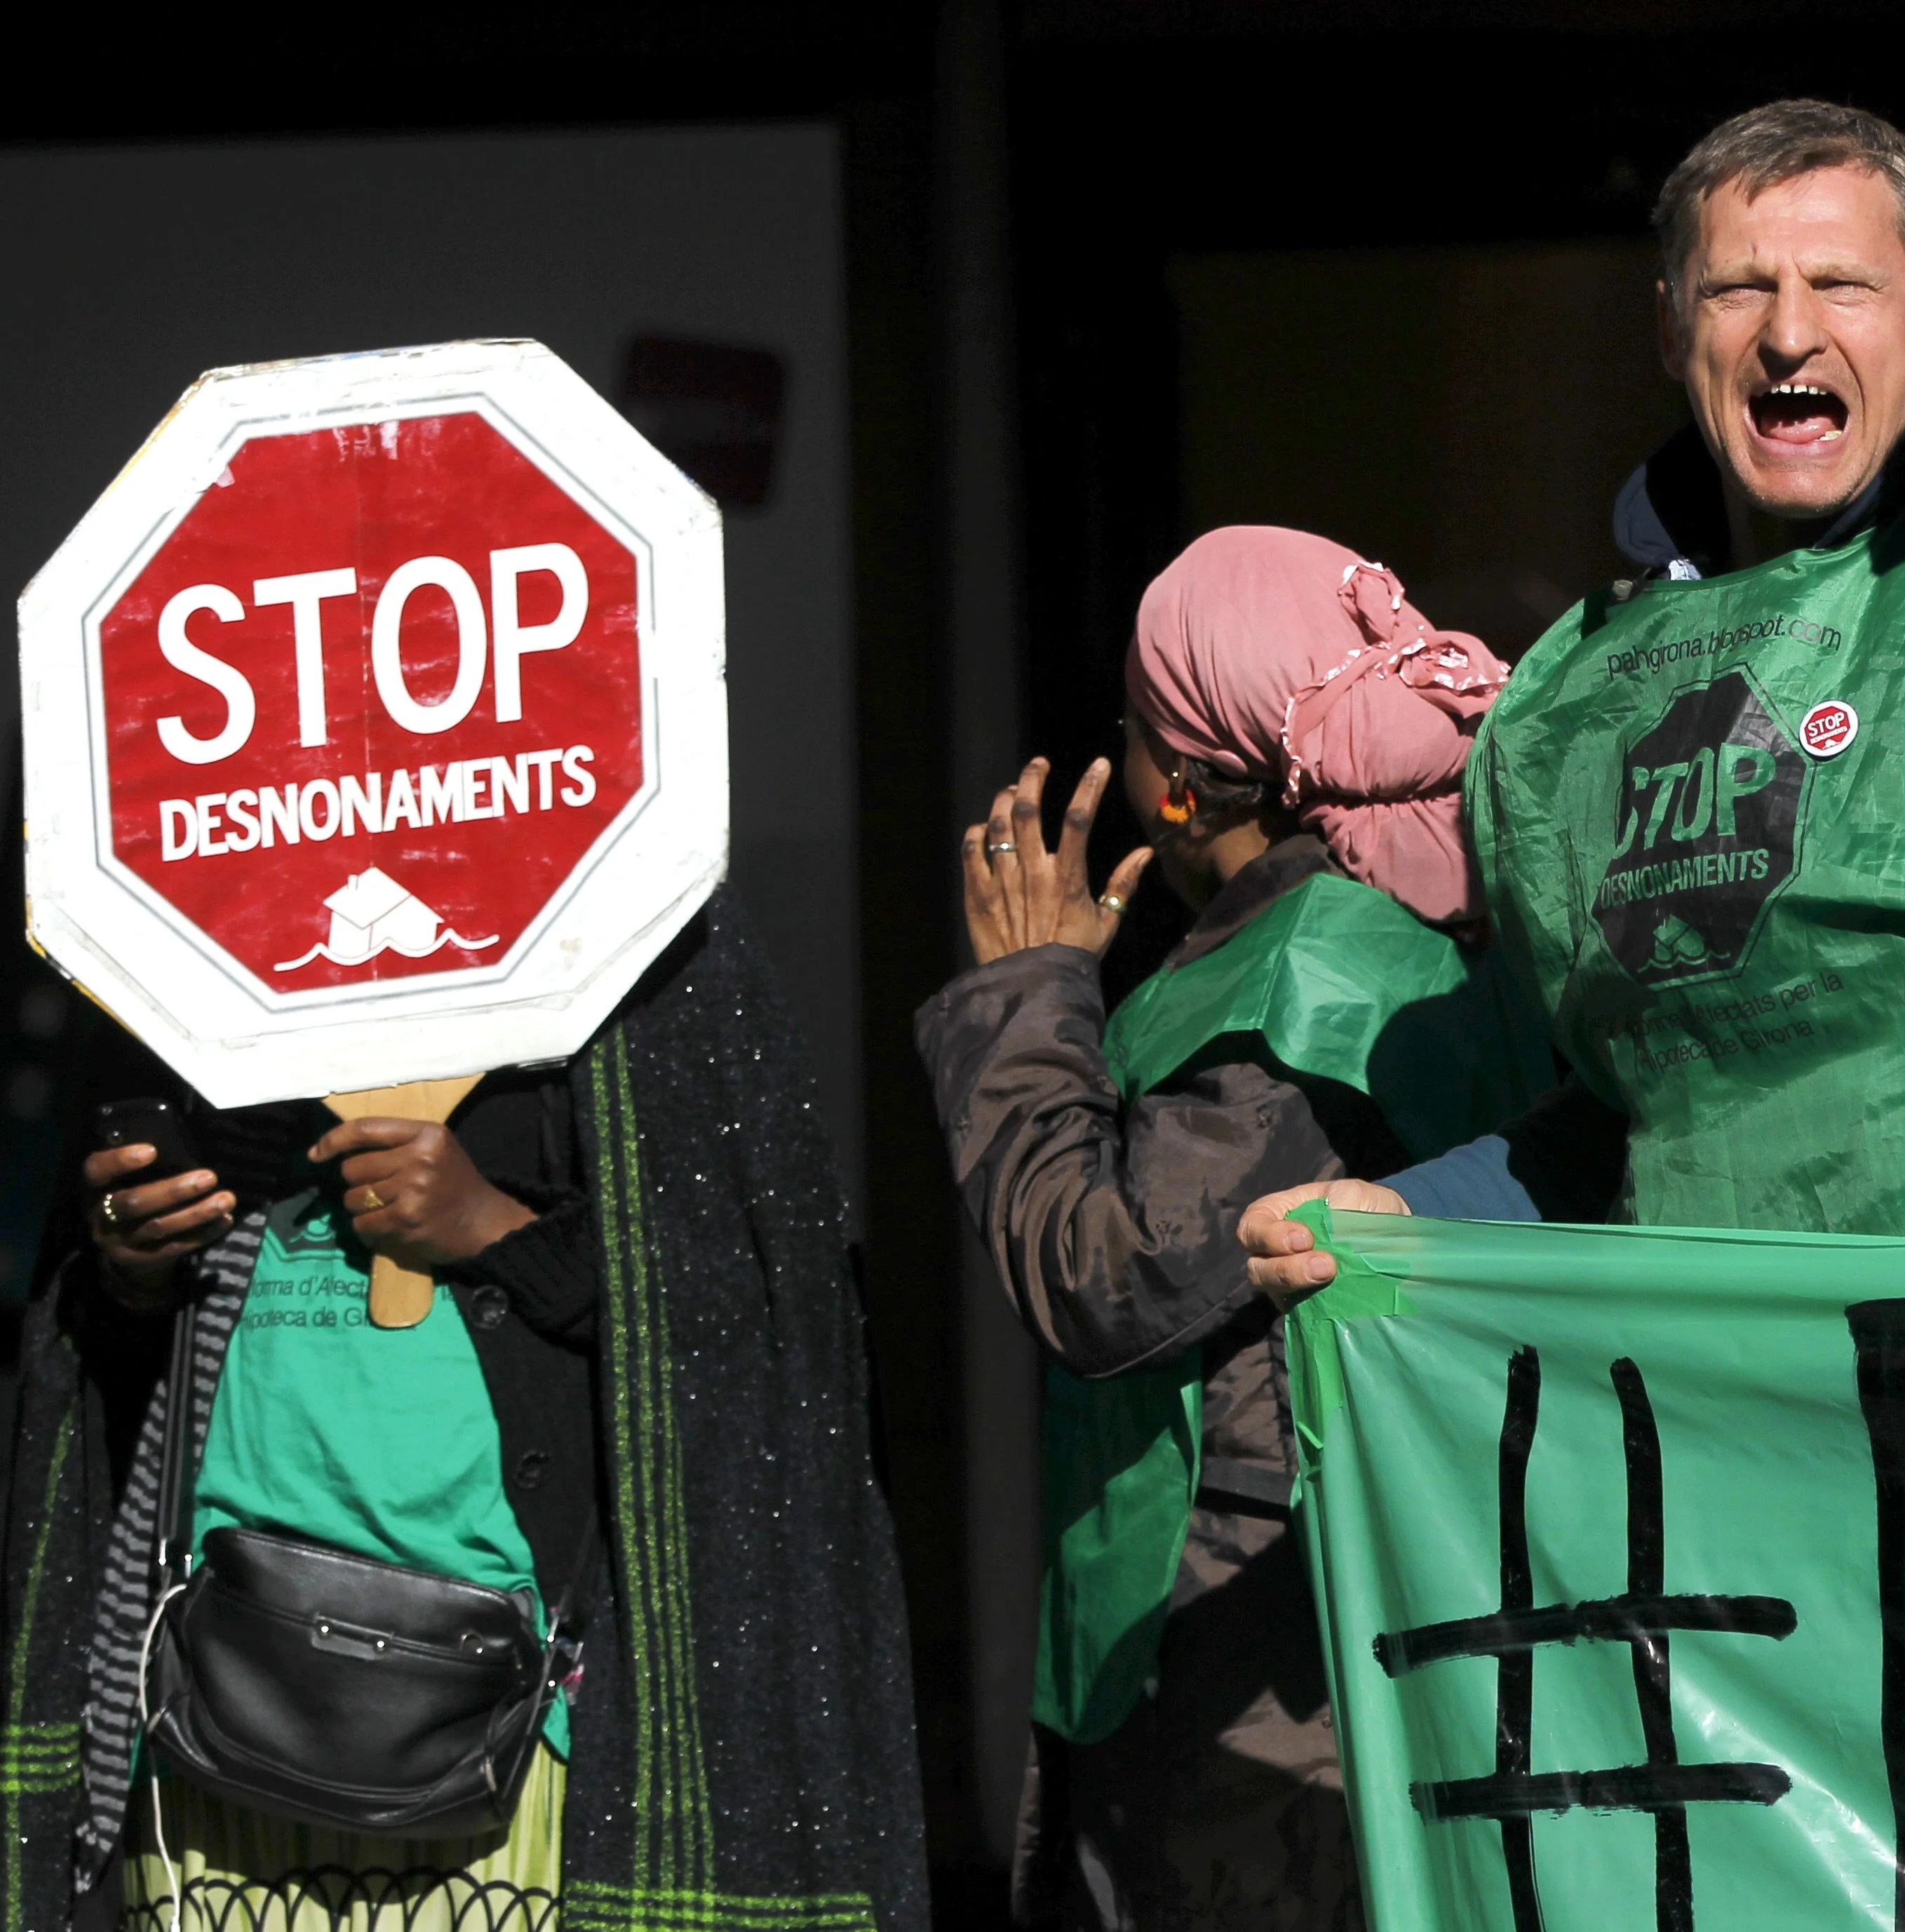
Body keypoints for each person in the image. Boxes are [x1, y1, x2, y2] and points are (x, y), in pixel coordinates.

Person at [1247, 0, 1905, 1290]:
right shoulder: (1563, 702)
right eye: (1737, 288)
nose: (1786, 332)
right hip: (1799, 1443)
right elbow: (1632, 1126)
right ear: (1670, 328)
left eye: (1841, 283)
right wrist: (1411, 1209)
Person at [8, 899, 928, 1928]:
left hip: (517, 1725)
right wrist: (130, 1267)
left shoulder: (637, 932)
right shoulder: (186, 943)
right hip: (220, 1709)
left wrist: (494, 1225)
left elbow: (732, 1321)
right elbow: (103, 1360)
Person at [914, 528, 1547, 1931]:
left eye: (1137, 732)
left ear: (1183, 788)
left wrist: (1026, 991)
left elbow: (1104, 1274)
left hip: (1257, 1677)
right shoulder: (1418, 925)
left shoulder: (1307, 981)